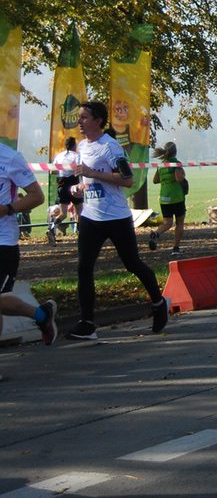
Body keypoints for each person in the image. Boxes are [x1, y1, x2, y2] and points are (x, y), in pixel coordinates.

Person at [65, 101, 168, 340]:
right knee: (84, 267)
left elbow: (128, 179)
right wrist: (79, 188)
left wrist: (93, 173)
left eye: (84, 117)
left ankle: (158, 302)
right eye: (79, 117)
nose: (79, 121)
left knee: (132, 264)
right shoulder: (82, 146)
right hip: (90, 216)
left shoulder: (110, 146)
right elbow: (88, 180)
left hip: (116, 216)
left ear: (98, 121)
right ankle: (87, 323)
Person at [1, 143, 58, 352]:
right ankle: (42, 315)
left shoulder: (10, 158)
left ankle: (42, 315)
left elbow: (36, 196)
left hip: (3, 241)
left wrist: (7, 209)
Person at [148, 141, 186, 257]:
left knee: (167, 223)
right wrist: (183, 175)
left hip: (164, 199)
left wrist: (165, 179)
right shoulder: (176, 163)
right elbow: (178, 179)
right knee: (179, 223)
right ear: (175, 152)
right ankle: (176, 248)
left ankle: (156, 233)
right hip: (176, 197)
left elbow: (155, 180)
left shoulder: (161, 165)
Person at [51, 136, 81, 240]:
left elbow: (52, 171)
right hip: (74, 185)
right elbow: (80, 169)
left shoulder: (59, 156)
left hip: (62, 185)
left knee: (63, 214)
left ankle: (52, 228)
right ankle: (80, 233)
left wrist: (62, 171)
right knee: (80, 211)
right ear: (74, 145)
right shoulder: (77, 156)